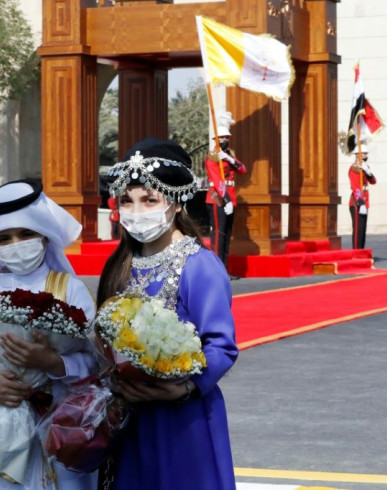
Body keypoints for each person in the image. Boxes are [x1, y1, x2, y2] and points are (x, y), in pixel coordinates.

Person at [98, 138, 239, 490]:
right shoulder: (121, 264)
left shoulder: (200, 265)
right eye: (127, 201)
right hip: (128, 417)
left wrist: (185, 388)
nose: (137, 210)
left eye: (149, 199)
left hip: (182, 419)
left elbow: (221, 345)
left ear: (175, 202)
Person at [0, 179, 98, 490]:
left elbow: (98, 364)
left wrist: (55, 364)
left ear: (44, 237)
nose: (16, 243)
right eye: (3, 238)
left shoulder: (70, 290)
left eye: (26, 234)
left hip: (61, 434)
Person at [204, 112, 246, 279]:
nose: (224, 139)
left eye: (226, 137)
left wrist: (229, 158)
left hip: (230, 198)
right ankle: (216, 271)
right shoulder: (212, 157)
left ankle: (224, 269)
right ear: (216, 139)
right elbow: (217, 180)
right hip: (218, 199)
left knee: (226, 235)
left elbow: (242, 170)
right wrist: (226, 200)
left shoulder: (228, 155)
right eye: (221, 137)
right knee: (218, 235)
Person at [348, 146, 376, 249]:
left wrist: (368, 172)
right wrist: (361, 203)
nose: (366, 155)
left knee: (363, 230)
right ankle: (356, 252)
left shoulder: (364, 168)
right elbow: (356, 188)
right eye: (363, 153)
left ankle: (361, 252)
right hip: (357, 203)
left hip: (365, 201)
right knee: (358, 230)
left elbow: (373, 182)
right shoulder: (354, 168)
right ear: (357, 155)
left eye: (366, 153)